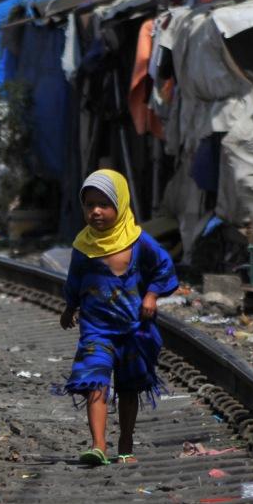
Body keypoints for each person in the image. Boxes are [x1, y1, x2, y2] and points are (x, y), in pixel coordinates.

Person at [58, 170, 178, 465]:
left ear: (121, 205)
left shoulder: (138, 241)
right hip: (96, 329)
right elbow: (74, 281)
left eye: (104, 204)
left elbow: (164, 267)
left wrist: (151, 296)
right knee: (95, 381)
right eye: (89, 205)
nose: (96, 211)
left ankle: (125, 442)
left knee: (128, 388)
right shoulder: (83, 247)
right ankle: (98, 444)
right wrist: (70, 306)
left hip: (132, 329)